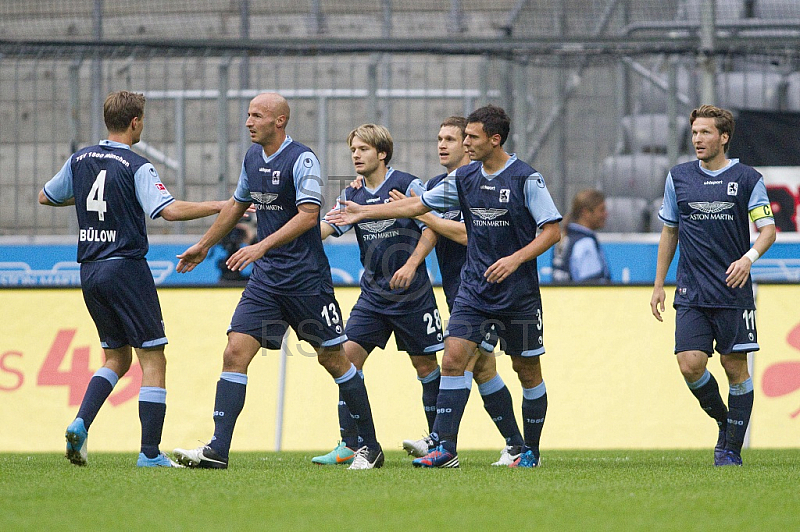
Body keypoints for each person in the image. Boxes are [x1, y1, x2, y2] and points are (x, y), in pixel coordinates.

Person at [328, 105, 562, 468]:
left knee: (525, 370)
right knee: (453, 360)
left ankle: (527, 449)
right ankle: (445, 447)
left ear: (494, 140)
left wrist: (515, 259)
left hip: (518, 293)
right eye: (460, 137)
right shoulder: (463, 180)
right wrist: (361, 212)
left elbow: (552, 231)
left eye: (470, 137)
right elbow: (417, 206)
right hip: (474, 290)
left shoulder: (526, 179)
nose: (465, 143)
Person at [172, 93, 383, 470]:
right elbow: (237, 205)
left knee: (333, 359)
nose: (249, 122)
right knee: (235, 351)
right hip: (267, 280)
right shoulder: (252, 158)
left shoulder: (302, 159)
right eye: (248, 115)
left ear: (279, 121)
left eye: (257, 115)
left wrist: (259, 246)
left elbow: (308, 215)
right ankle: (218, 449)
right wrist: (203, 245)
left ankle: (369, 446)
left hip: (305, 280)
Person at [38, 90, 226, 468]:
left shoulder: (80, 159)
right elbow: (168, 211)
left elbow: (46, 197)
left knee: (116, 357)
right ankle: (150, 454)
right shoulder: (136, 165)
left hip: (89, 270)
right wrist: (222, 205)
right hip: (125, 268)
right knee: (153, 358)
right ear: (136, 122)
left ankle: (80, 423)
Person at [391, 116, 525, 466]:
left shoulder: (477, 182)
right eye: (441, 138)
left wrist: (425, 214)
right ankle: (515, 445)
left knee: (459, 360)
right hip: (459, 289)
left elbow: (467, 234)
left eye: (452, 138)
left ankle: (441, 442)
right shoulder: (439, 185)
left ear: (472, 143)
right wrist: (411, 259)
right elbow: (431, 230)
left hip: (491, 291)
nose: (444, 145)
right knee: (481, 368)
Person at [650, 104, 776, 467]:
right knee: (689, 364)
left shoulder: (748, 179)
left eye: (705, 133)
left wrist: (747, 259)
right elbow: (669, 231)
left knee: (735, 368)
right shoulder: (679, 178)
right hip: (691, 291)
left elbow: (767, 229)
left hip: (733, 293)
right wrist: (660, 284)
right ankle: (725, 422)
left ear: (724, 137)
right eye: (694, 133)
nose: (697, 139)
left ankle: (730, 450)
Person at [313, 124, 444, 466]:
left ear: (382, 153)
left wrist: (413, 264)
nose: (355, 155)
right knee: (346, 359)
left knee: (426, 365)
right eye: (353, 149)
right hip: (372, 296)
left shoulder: (407, 185)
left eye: (363, 149)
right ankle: (350, 444)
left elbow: (433, 227)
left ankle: (438, 441)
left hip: (412, 295)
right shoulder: (352, 194)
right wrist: (290, 232)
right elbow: (327, 227)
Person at [552, 189, 611, 283]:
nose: (606, 214)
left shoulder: (565, 238)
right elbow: (592, 285)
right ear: (586, 212)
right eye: (601, 210)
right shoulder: (585, 243)